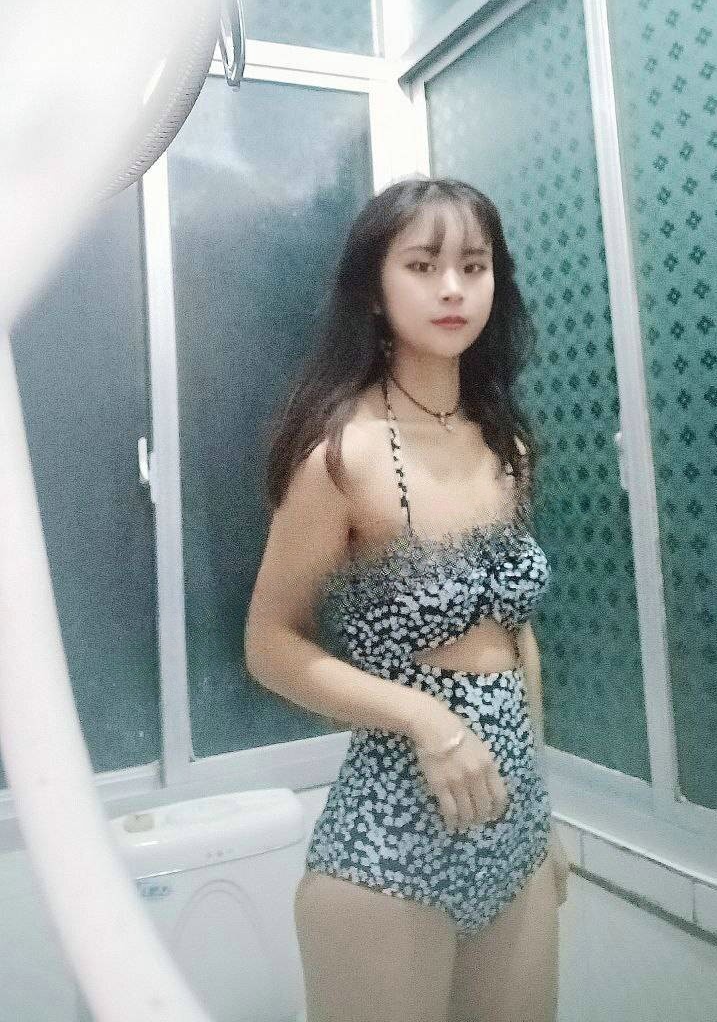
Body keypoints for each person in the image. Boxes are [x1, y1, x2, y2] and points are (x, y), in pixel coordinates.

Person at [245, 176, 570, 1022]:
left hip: (515, 828)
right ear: (375, 290)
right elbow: (271, 643)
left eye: (474, 265)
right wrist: (428, 719)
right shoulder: (341, 454)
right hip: (390, 844)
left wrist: (541, 808)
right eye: (423, 265)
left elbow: (515, 636)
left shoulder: (507, 444)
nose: (453, 288)